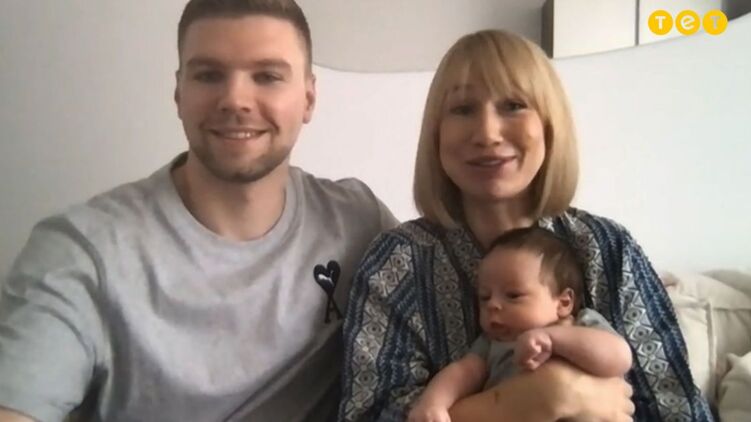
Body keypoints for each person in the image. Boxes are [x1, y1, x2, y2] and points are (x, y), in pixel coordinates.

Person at [0, 0, 396, 421]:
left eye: (267, 76)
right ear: (179, 94)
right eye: (209, 75)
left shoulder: (358, 223)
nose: (236, 99)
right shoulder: (83, 252)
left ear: (309, 98)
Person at [339, 29, 712, 422]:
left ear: (549, 124)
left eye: (514, 105)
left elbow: (678, 407)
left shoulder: (606, 248)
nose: (487, 134)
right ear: (436, 133)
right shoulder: (398, 262)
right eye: (463, 109)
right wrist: (534, 401)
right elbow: (366, 414)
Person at [407, 227, 633, 422]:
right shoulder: (492, 343)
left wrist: (553, 339)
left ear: (564, 302)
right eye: (484, 297)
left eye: (513, 295)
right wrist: (433, 402)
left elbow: (620, 357)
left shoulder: (582, 324)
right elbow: (462, 372)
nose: (493, 305)